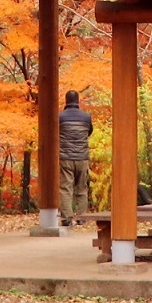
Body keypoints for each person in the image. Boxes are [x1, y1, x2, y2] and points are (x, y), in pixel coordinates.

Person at [57, 90, 95, 226]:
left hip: (65, 157)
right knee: (82, 188)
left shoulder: (60, 117)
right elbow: (89, 132)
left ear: (66, 101)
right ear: (77, 101)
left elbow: (56, 133)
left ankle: (67, 218)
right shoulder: (86, 117)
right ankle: (82, 216)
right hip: (82, 157)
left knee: (66, 188)